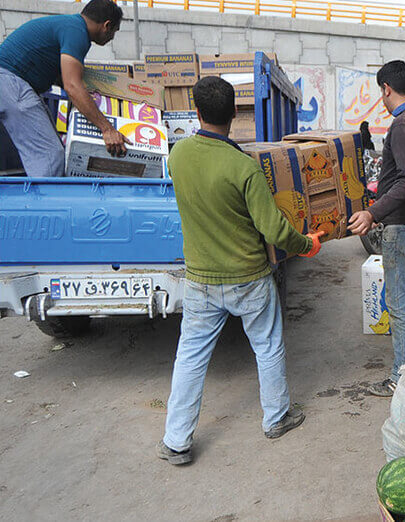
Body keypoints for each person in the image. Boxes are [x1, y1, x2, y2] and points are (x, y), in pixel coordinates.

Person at [157, 77, 325, 465]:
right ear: (235, 113)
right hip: (249, 279)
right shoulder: (243, 167)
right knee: (267, 347)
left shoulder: (178, 156)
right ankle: (276, 418)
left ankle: (176, 441)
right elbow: (274, 230)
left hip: (200, 279)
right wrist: (307, 244)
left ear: (196, 113)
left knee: (190, 358)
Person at [348, 61, 405, 397]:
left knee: (400, 307)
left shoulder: (403, 125)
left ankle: (402, 381)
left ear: (386, 88)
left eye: (380, 92)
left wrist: (372, 213)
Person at [0, 0, 129, 177]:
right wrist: (107, 129)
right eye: (115, 31)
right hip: (11, 83)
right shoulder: (77, 32)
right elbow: (72, 86)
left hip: (13, 82)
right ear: (107, 25)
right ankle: (46, 203)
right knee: (50, 156)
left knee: (54, 149)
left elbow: (65, 80)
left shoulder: (70, 26)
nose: (113, 37)